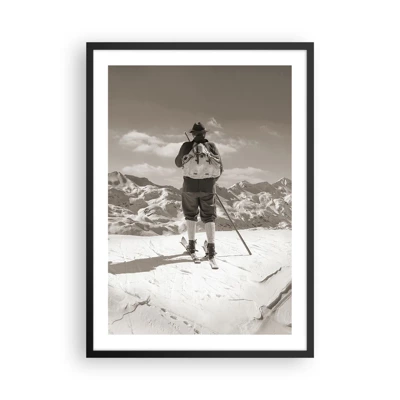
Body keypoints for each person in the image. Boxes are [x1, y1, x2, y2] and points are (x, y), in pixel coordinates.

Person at [175, 122, 223, 260]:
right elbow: (220, 168)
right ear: (205, 134)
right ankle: (211, 249)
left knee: (190, 215)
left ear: (193, 134)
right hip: (208, 188)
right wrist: (210, 182)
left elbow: (178, 163)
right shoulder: (212, 146)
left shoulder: (186, 146)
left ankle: (191, 245)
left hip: (189, 187)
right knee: (209, 216)